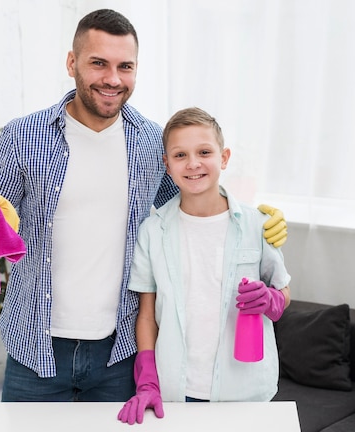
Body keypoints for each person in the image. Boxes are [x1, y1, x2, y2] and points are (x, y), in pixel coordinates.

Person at [0, 9, 287, 402]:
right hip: (35, 347)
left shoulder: (152, 143)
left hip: (120, 354)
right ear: (72, 63)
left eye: (125, 66)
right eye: (98, 63)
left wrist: (257, 218)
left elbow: (188, 210)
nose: (112, 78)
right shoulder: (22, 136)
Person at [118, 107, 291, 424]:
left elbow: (282, 294)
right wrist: (147, 380)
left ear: (224, 158)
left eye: (204, 152)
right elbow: (146, 315)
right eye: (180, 155)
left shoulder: (257, 224)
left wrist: (272, 299)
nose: (193, 163)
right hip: (177, 390)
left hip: (246, 390)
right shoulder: (153, 232)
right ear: (166, 165)